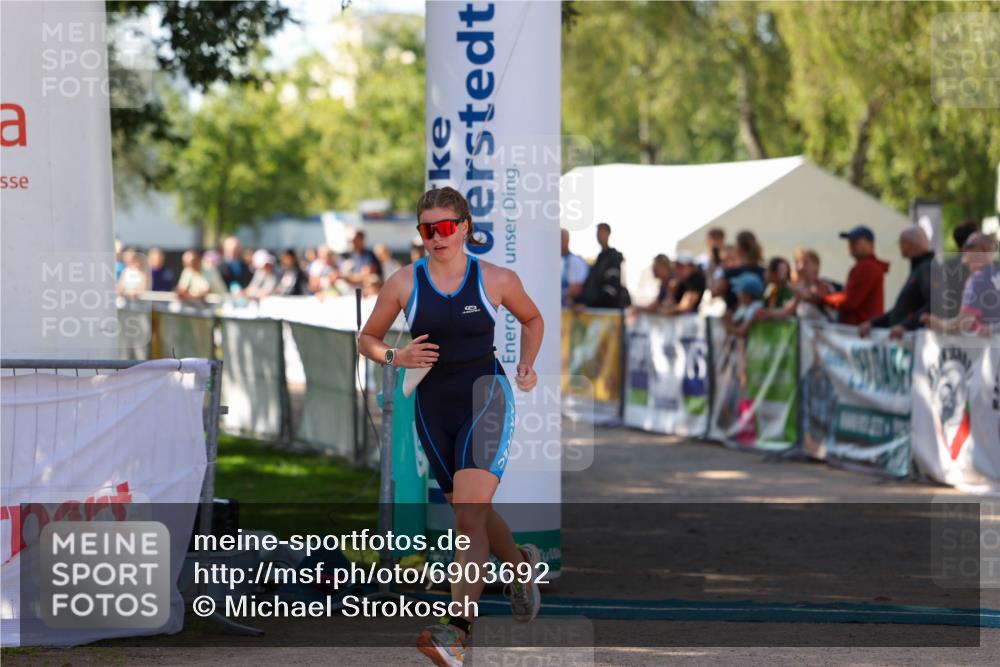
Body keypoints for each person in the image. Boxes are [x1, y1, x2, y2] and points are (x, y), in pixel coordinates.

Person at [358, 186, 544, 666]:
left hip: (486, 397)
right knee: (470, 510)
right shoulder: (404, 282)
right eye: (427, 230)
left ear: (464, 227)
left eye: (444, 227)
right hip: (432, 405)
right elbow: (367, 338)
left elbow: (532, 319)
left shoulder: (496, 278)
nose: (436, 237)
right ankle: (521, 566)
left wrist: (527, 364)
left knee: (468, 517)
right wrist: (396, 356)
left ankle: (457, 631)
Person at [859, 226, 934, 339]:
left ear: (909, 244)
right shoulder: (920, 269)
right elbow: (903, 308)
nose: (899, 246)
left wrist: (906, 326)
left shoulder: (926, 268)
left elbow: (934, 304)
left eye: (901, 243)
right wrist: (873, 323)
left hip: (916, 340)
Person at [923, 232, 1000, 335]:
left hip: (984, 344)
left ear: (983, 250)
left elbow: (964, 323)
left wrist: (940, 325)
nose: (963, 250)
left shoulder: (977, 280)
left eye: (968, 246)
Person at [817, 225, 889, 325]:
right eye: (850, 241)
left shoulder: (867, 267)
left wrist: (823, 298)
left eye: (855, 241)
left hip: (859, 328)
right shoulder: (867, 266)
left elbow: (849, 301)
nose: (851, 245)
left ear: (870, 244)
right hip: (861, 327)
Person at [711, 230, 765, 312]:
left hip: (734, 316)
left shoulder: (731, 273)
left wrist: (717, 269)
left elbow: (714, 293)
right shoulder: (764, 271)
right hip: (757, 315)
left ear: (739, 248)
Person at [578, 222, 630, 308]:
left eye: (602, 232)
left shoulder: (613, 257)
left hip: (608, 310)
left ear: (608, 234)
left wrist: (589, 304)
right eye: (598, 232)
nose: (599, 235)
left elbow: (611, 290)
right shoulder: (600, 258)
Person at [560, 228, 589, 307]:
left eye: (562, 238)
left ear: (567, 240)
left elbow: (577, 289)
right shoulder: (552, 261)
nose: (559, 242)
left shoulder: (575, 261)